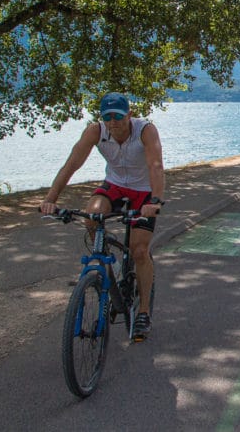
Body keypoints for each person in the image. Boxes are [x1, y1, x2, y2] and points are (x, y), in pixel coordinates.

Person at [39, 92, 165, 341]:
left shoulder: (145, 131)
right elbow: (71, 164)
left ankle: (143, 311)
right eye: (107, 116)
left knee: (139, 250)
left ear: (129, 114)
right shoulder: (95, 132)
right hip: (114, 185)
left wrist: (155, 201)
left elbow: (155, 166)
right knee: (91, 216)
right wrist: (50, 199)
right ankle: (113, 265)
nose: (113, 122)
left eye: (118, 116)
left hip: (143, 191)